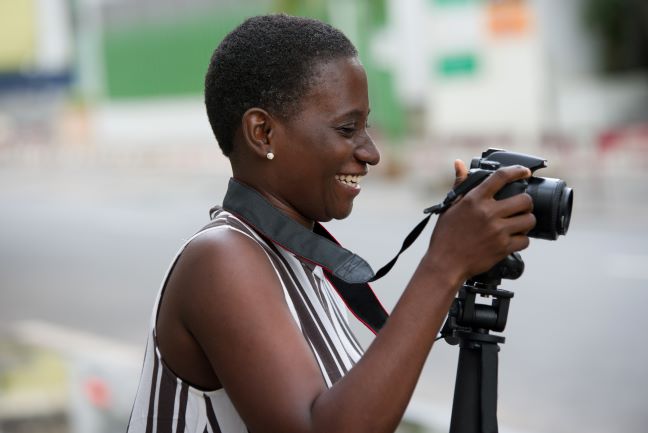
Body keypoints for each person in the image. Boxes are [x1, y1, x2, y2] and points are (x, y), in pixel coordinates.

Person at [126, 14, 535, 433]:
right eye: (347, 128)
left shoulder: (294, 257)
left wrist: (461, 258)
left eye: (366, 126)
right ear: (263, 132)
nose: (371, 153)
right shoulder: (222, 259)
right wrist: (444, 263)